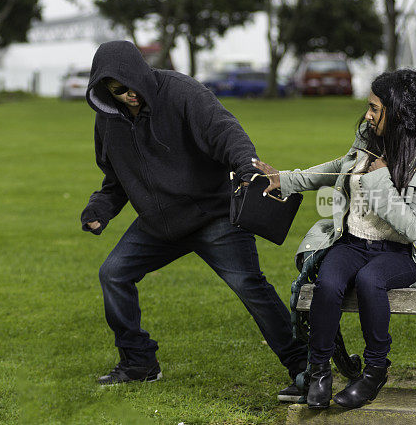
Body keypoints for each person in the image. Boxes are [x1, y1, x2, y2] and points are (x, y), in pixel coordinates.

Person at [80, 41, 308, 391]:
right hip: (158, 223)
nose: (127, 95)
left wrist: (248, 170)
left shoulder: (182, 93)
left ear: (142, 73)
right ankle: (139, 363)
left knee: (250, 287)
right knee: (113, 274)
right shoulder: (108, 120)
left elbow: (226, 133)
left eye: (130, 86)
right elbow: (115, 181)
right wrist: (99, 211)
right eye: (116, 91)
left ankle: (304, 368)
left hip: (213, 214)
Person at [253, 69, 416, 409]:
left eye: (375, 108)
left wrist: (379, 183)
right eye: (369, 107)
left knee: (370, 280)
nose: (368, 115)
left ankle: (374, 371)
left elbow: (414, 227)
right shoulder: (367, 143)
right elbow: (335, 167)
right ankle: (319, 372)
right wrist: (285, 179)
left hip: (398, 253)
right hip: (353, 243)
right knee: (328, 285)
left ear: (399, 112)